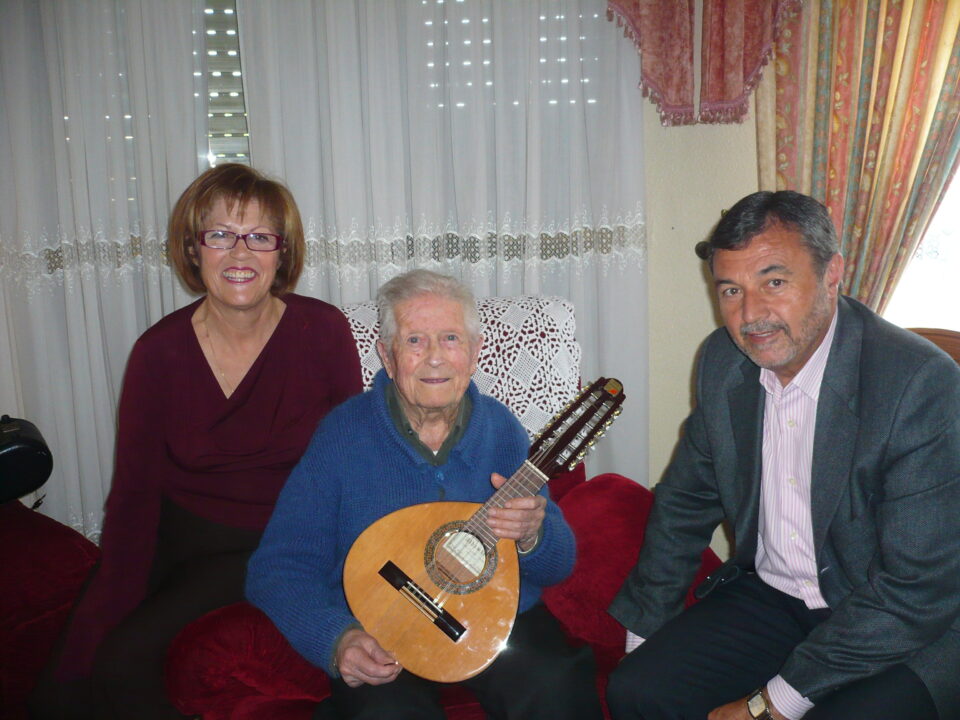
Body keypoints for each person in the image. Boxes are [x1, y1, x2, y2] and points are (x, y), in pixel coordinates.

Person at [606, 190, 960, 720]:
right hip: (776, 597)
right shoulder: (723, 362)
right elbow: (684, 502)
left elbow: (916, 590)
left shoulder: (917, 385)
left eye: (774, 282)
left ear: (832, 273)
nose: (751, 315)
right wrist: (646, 638)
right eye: (731, 290)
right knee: (639, 689)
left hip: (902, 623)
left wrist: (769, 703)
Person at [30, 164, 363, 719]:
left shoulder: (322, 331)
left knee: (125, 662)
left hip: (284, 539)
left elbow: (353, 461)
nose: (240, 253)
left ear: (282, 252)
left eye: (260, 236)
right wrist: (112, 590)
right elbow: (135, 496)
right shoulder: (157, 353)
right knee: (72, 673)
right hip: (180, 540)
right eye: (220, 235)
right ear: (194, 248)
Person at [246, 269, 603, 720]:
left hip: (497, 625)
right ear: (387, 357)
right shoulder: (342, 436)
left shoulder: (502, 430)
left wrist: (535, 533)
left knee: (556, 688)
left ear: (475, 354)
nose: (434, 357)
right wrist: (337, 639)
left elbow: (559, 564)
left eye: (451, 338)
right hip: (386, 626)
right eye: (414, 341)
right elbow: (278, 565)